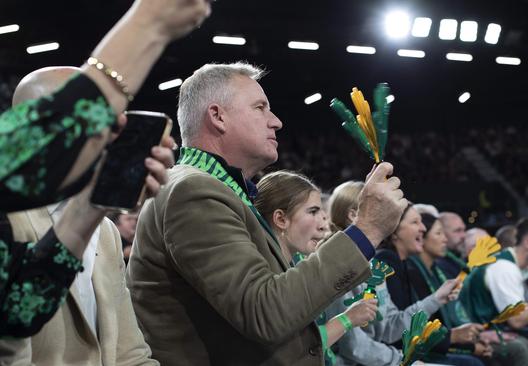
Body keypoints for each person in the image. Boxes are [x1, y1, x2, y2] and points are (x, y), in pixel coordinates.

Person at [127, 62, 408, 365]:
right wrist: (366, 229)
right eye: (260, 108)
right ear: (218, 116)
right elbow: (265, 312)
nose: (276, 122)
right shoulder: (193, 192)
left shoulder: (220, 190)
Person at [0, 0, 211, 338]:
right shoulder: (14, 215)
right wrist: (147, 24)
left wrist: (89, 207)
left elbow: (20, 311)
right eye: (99, 122)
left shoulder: (106, 232)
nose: (111, 133)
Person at [0, 65, 174, 364]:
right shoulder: (9, 223)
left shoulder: (105, 230)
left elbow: (130, 353)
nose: (111, 134)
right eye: (92, 118)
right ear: (31, 132)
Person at [324, 181, 458, 366]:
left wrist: (436, 299)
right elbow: (354, 347)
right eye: (382, 211)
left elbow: (389, 327)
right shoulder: (338, 264)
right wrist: (402, 361)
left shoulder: (372, 264)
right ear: (354, 215)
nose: (390, 220)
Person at [254, 170, 379, 365]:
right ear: (281, 219)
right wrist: (346, 319)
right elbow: (287, 350)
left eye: (322, 211)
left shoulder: (296, 267)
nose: (324, 223)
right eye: (313, 211)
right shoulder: (265, 277)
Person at [409, 211, 528, 366]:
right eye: (439, 233)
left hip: (456, 335)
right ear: (422, 239)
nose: (445, 239)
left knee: (524, 343)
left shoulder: (436, 270)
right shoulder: (418, 271)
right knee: (513, 349)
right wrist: (470, 344)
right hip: (434, 346)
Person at [376, 205, 485, 366]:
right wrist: (454, 338)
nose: (422, 228)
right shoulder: (386, 263)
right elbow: (394, 331)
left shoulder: (401, 263)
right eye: (415, 222)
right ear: (394, 231)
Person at [459, 217, 528, 366]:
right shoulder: (505, 267)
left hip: (490, 327)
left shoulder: (507, 262)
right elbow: (517, 321)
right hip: (475, 333)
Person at [436, 212, 468, 279]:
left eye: (464, 230)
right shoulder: (438, 264)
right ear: (442, 233)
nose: (464, 236)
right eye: (457, 231)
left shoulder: (462, 258)